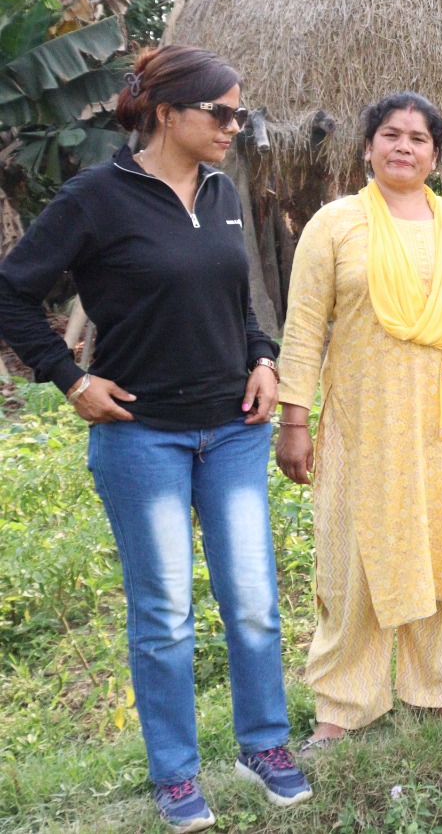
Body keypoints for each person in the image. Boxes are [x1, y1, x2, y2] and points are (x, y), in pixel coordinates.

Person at [0, 46, 311, 831]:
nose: (235, 127)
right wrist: (68, 378)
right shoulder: (95, 198)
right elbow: (10, 291)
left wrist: (263, 358)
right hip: (143, 436)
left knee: (253, 602)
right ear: (168, 114)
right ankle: (175, 773)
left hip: (233, 431)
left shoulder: (222, 191)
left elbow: (236, 302)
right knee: (166, 612)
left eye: (240, 113)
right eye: (222, 113)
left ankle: (263, 745)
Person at [276, 92, 442, 749]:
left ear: (436, 155)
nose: (405, 146)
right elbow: (304, 328)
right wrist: (294, 421)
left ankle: (441, 691)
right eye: (391, 134)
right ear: (368, 146)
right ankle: (344, 704)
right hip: (364, 425)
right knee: (358, 559)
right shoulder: (335, 224)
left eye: (419, 138)